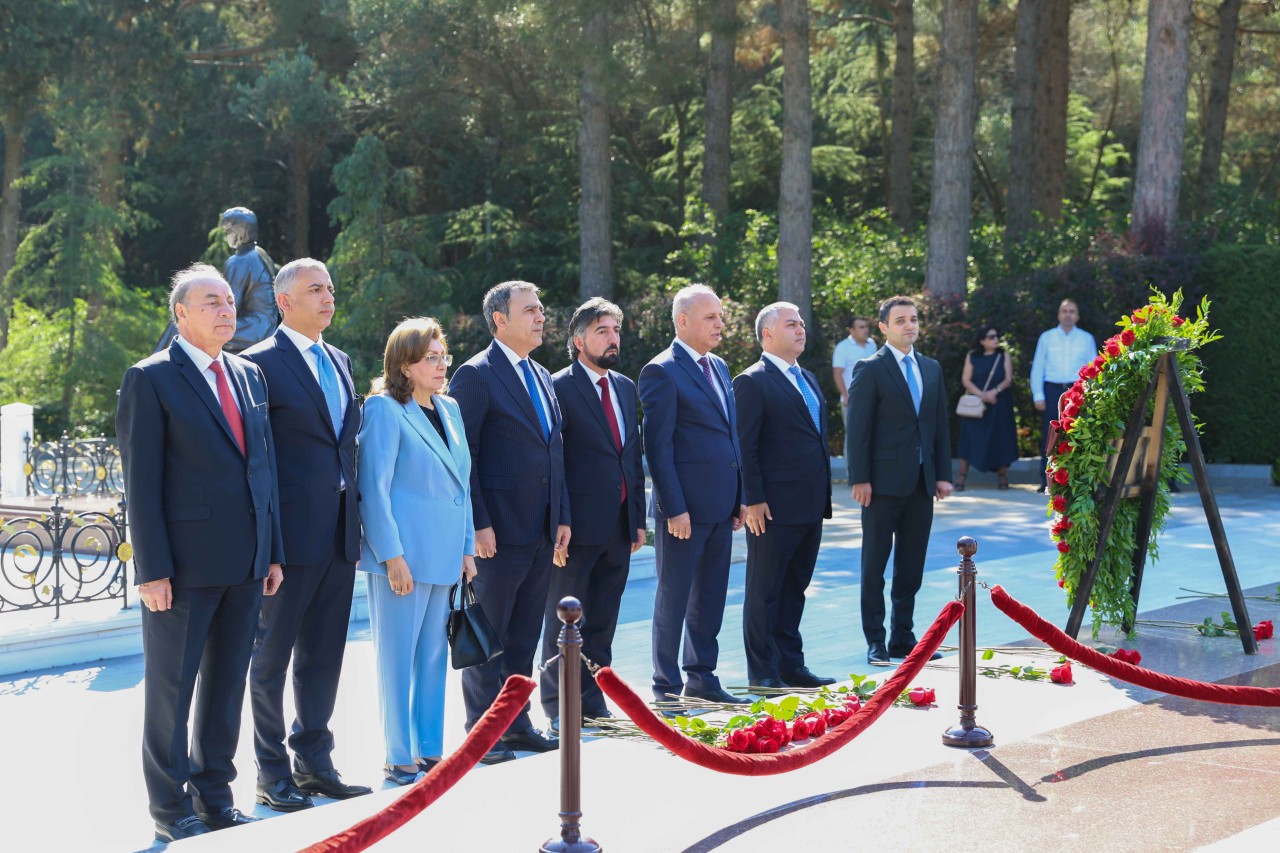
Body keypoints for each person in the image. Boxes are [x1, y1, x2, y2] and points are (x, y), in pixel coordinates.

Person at [117, 264, 285, 843]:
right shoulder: (151, 378)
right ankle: (170, 806)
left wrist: (273, 551)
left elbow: (263, 472)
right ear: (181, 314)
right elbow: (141, 484)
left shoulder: (248, 375)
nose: (225, 310)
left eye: (229, 301)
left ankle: (215, 796)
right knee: (172, 691)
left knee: (225, 688)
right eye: (210, 301)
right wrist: (152, 569)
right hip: (182, 571)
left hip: (246, 564)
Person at [241, 259, 370, 811]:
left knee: (323, 656)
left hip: (339, 535)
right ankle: (272, 774)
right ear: (285, 301)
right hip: (288, 540)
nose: (328, 297)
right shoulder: (256, 364)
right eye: (316, 289)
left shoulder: (339, 360)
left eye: (332, 288)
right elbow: (255, 460)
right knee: (270, 660)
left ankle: (315, 763)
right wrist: (265, 541)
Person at [451, 281, 571, 764]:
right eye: (530, 310)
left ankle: (516, 723)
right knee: (489, 637)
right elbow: (467, 456)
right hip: (496, 534)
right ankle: (483, 735)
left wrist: (561, 515)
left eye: (542, 308)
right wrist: (478, 522)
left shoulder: (542, 375)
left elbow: (554, 451)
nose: (541, 316)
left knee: (523, 636)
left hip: (541, 530)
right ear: (499, 320)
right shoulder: (475, 375)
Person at [358, 318, 477, 784]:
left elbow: (462, 485)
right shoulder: (385, 409)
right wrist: (390, 555)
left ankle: (429, 747)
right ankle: (397, 751)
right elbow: (375, 485)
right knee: (398, 655)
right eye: (430, 357)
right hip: (403, 557)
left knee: (431, 654)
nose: (441, 364)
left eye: (443, 355)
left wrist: (467, 547)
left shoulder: (450, 408)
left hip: (445, 552)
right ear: (404, 365)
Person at [540, 298, 647, 732]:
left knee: (602, 620)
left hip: (619, 525)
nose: (613, 338)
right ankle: (558, 706)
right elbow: (556, 460)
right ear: (578, 340)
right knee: (563, 621)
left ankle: (593, 701)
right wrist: (559, 520)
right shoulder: (557, 387)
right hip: (577, 527)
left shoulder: (624, 386)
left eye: (616, 330)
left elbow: (631, 456)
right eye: (603, 330)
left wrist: (638, 517)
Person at [639, 284, 747, 705]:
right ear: (683, 321)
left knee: (711, 597)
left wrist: (740, 494)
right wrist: (673, 508)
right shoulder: (661, 370)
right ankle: (665, 687)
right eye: (710, 317)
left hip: (722, 505)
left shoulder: (718, 366)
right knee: (674, 597)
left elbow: (730, 435)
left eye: (720, 315)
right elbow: (658, 447)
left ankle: (702, 676)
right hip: (683, 510)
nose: (720, 323)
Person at [734, 302, 836, 692]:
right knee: (764, 593)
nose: (800, 329)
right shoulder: (752, 381)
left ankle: (791, 665)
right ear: (767, 334)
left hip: (809, 505)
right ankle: (762, 673)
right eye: (791, 324)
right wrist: (753, 498)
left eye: (801, 323)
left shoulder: (806, 377)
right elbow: (746, 446)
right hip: (771, 509)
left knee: (794, 589)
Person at [846, 295, 953, 666]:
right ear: (884, 328)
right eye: (901, 320)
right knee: (874, 567)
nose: (910, 325)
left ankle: (902, 639)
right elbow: (857, 430)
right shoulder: (869, 368)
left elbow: (938, 424)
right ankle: (875, 641)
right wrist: (859, 477)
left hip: (922, 485)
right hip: (879, 486)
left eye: (914, 319)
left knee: (911, 568)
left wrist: (943, 474)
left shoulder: (932, 368)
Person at [152, 207, 278, 355]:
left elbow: (228, 304)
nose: (226, 236)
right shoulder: (260, 254)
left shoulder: (240, 261)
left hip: (255, 330)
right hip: (267, 324)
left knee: (183, 323)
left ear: (238, 232)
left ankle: (157, 367)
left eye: (228, 231)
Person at [1029, 299, 1097, 492]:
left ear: (1077, 315)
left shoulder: (1086, 338)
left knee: (1078, 434)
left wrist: (1091, 395)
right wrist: (1038, 395)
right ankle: (1046, 481)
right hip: (1051, 390)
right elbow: (1038, 367)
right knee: (1051, 435)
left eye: (1072, 311)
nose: (1068, 314)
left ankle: (1077, 479)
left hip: (1077, 391)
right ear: (1059, 314)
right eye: (1064, 311)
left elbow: (1092, 368)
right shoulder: (1047, 338)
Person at [954, 324, 1018, 491]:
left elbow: (1008, 379)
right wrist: (982, 395)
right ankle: (961, 477)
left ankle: (1003, 477)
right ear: (982, 340)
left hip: (999, 403)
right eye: (991, 337)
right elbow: (966, 380)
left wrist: (993, 392)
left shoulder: (1002, 355)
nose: (996, 339)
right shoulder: (972, 356)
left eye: (996, 336)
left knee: (1001, 438)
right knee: (969, 438)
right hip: (977, 404)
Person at [831, 315, 878, 419]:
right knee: (853, 434)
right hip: (852, 400)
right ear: (852, 331)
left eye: (866, 326)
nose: (866, 330)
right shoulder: (842, 347)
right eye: (861, 327)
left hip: (872, 399)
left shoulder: (872, 344)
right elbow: (837, 374)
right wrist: (846, 396)